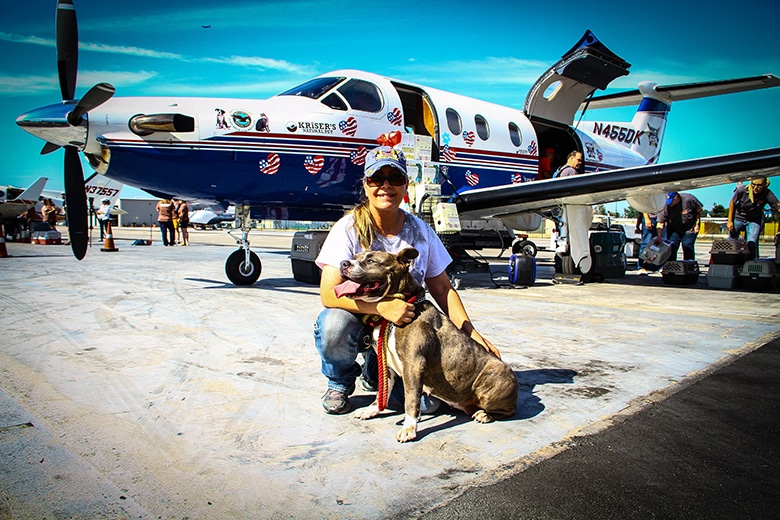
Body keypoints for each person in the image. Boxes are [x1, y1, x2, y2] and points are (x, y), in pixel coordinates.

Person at [313, 135, 499, 415]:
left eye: (395, 177)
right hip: (362, 319)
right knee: (333, 325)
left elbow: (443, 289)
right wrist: (381, 306)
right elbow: (328, 294)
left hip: (404, 326)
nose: (386, 185)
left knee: (427, 405)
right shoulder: (348, 228)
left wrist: (470, 332)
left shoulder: (421, 232)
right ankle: (339, 382)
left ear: (405, 186)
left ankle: (378, 372)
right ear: (366, 185)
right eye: (377, 178)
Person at [727, 177, 779, 260]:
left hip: (754, 220)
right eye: (753, 184)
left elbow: (777, 206)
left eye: (759, 185)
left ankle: (749, 264)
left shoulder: (767, 193)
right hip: (739, 218)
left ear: (764, 185)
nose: (755, 188)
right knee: (731, 241)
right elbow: (732, 202)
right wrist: (730, 221)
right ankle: (729, 260)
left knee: (751, 243)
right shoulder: (742, 190)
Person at [656, 191, 702, 262]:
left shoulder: (689, 199)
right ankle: (671, 267)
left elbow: (699, 211)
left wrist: (697, 224)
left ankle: (689, 266)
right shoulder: (664, 205)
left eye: (671, 202)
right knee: (672, 248)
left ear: (676, 197)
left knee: (687, 246)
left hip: (689, 228)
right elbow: (660, 223)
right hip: (673, 228)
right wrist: (659, 237)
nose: (670, 204)